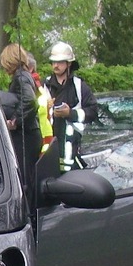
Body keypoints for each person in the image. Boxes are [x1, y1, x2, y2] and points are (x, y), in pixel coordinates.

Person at [43, 41, 99, 171]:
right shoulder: (44, 86)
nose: (55, 65)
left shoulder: (79, 86)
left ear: (69, 64)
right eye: (53, 62)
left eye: (60, 62)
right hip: (49, 151)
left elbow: (93, 111)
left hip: (72, 153)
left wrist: (70, 114)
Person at [0, 44, 42, 193]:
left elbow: (29, 100)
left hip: (26, 136)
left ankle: (28, 211)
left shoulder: (21, 77)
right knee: (26, 176)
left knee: (24, 178)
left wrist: (15, 121)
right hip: (30, 134)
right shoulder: (24, 75)